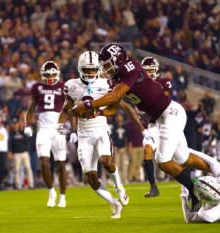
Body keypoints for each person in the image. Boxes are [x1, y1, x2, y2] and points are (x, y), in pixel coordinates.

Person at [70, 43, 220, 211]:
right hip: (161, 118)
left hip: (170, 113)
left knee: (162, 161)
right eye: (104, 66)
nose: (106, 69)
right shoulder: (114, 77)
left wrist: (88, 105)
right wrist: (96, 111)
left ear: (118, 60)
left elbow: (114, 95)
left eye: (108, 65)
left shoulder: (129, 68)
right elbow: (114, 104)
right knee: (183, 158)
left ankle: (196, 190)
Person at [57, 51, 132, 219]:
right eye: (87, 69)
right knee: (90, 177)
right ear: (80, 68)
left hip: (100, 129)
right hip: (83, 133)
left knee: (106, 161)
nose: (90, 72)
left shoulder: (107, 84)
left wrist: (97, 113)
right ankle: (114, 204)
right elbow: (65, 110)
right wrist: (60, 125)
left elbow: (113, 109)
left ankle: (119, 186)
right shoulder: (72, 85)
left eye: (93, 69)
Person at [24, 61, 67, 207]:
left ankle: (62, 196)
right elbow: (30, 109)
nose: (49, 76)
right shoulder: (37, 87)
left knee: (61, 164)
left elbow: (70, 109)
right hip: (43, 129)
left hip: (58, 130)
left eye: (52, 74)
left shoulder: (63, 87)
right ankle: (51, 191)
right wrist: (26, 125)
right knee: (44, 161)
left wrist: (71, 128)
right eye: (47, 74)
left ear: (57, 73)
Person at [140, 56, 172, 198]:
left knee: (178, 158)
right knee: (147, 150)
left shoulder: (163, 82)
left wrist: (148, 111)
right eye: (146, 70)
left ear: (156, 70)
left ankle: (188, 186)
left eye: (151, 70)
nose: (149, 73)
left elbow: (162, 102)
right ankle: (153, 187)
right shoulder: (140, 86)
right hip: (153, 125)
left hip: (166, 122)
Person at [9, 118, 34, 189]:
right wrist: (10, 151)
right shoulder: (12, 133)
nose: (19, 125)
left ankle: (31, 183)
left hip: (25, 152)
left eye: (20, 123)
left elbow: (30, 138)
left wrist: (23, 129)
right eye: (17, 123)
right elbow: (10, 143)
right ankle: (17, 184)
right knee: (17, 169)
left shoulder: (24, 132)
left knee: (28, 168)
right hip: (16, 153)